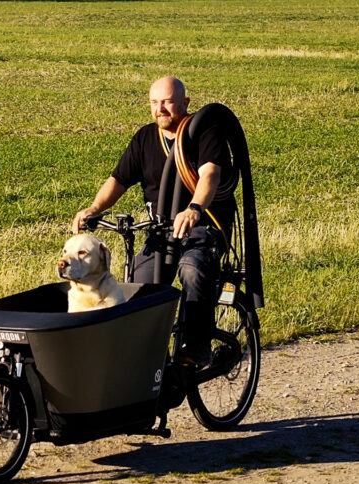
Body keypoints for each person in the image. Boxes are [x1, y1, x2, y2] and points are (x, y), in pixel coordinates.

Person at [72, 76, 236, 368]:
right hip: (161, 233)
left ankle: (197, 346)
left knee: (192, 270)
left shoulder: (205, 131)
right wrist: (94, 208)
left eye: (168, 102)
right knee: (135, 288)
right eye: (154, 102)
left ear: (185, 103)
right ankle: (149, 360)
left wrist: (195, 208)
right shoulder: (145, 138)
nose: (160, 109)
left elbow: (210, 175)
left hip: (203, 229)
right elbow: (118, 180)